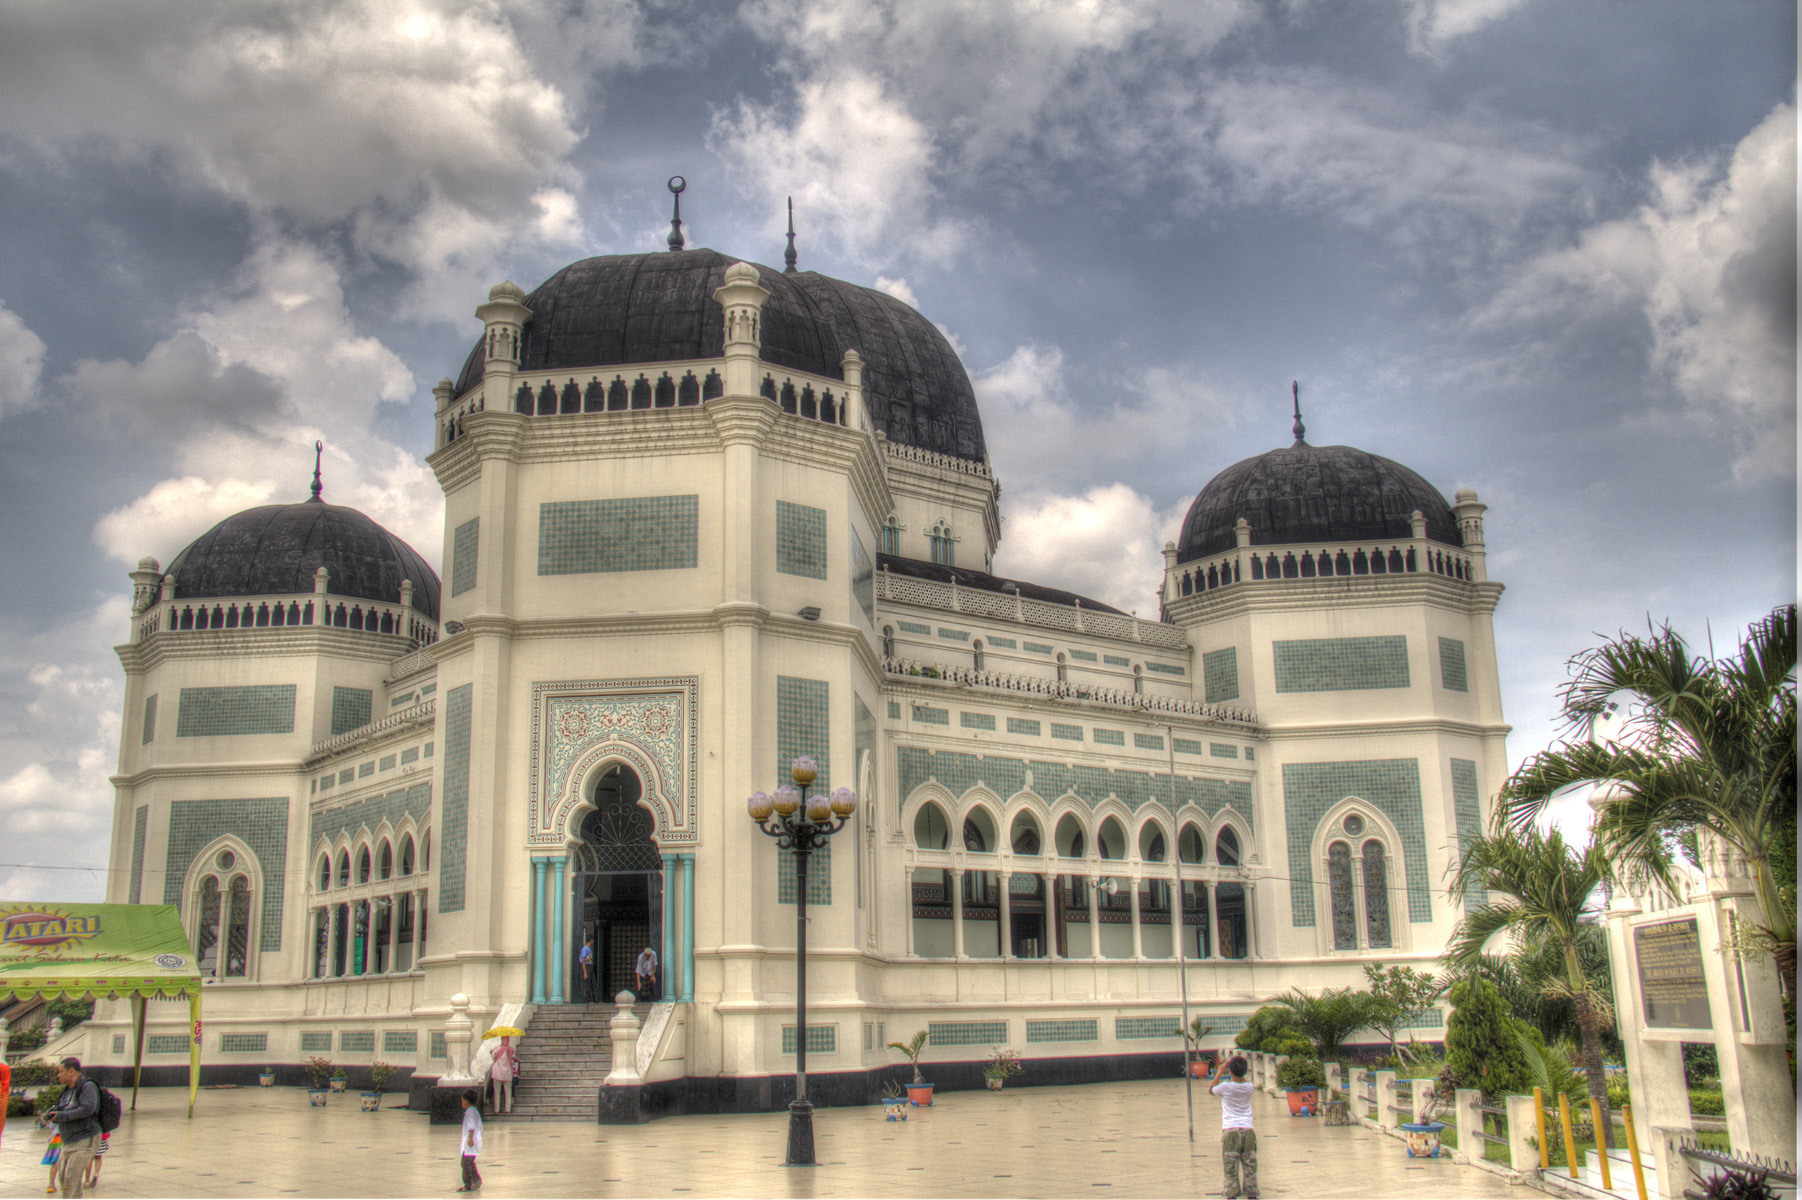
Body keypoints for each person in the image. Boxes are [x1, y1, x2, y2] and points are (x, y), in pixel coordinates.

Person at [45, 1058, 101, 1199]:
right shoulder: (66, 1091)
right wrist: (54, 1113)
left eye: (61, 1072)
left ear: (71, 1072)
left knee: (71, 1180)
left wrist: (62, 1116)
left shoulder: (87, 1086)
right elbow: (64, 1109)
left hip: (85, 1138)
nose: (58, 1075)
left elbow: (88, 1109)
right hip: (68, 1140)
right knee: (64, 1179)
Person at [1210, 1055, 1258, 1200]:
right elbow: (1244, 1081)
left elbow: (1211, 1090)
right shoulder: (1250, 1087)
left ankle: (1231, 1193)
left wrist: (1219, 1072)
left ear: (1230, 1071)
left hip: (1231, 1130)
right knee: (1250, 1164)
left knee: (1231, 1165)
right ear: (1245, 1071)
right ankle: (1252, 1193)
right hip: (1248, 1129)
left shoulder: (1225, 1087)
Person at [457, 1088, 483, 1192]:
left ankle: (468, 1184)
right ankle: (476, 1180)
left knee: (465, 1163)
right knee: (469, 1162)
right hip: (474, 1141)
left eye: (462, 1101)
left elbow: (471, 1127)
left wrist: (471, 1138)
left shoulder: (469, 1113)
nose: (462, 1103)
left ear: (466, 1101)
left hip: (470, 1142)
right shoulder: (474, 1111)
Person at [490, 1036, 516, 1115]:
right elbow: (513, 1059)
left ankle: (496, 1109)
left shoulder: (497, 1049)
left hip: (497, 1072)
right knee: (508, 1092)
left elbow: (493, 1057)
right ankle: (507, 1109)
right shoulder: (511, 1049)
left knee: (497, 1091)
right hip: (507, 1073)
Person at [579, 937, 595, 1002]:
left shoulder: (589, 949)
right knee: (586, 984)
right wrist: (585, 972)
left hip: (589, 966)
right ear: (590, 940)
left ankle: (593, 999)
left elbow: (589, 960)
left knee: (591, 983)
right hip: (586, 967)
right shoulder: (585, 949)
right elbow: (583, 960)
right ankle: (586, 999)